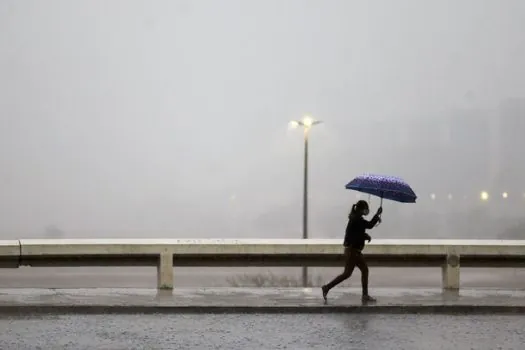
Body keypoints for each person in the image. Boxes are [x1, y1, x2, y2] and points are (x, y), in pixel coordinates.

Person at [321, 200, 382, 303]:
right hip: (353, 251)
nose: (367, 211)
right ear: (361, 209)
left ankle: (328, 288)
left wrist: (364, 235)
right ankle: (327, 287)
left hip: (353, 251)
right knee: (350, 273)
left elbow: (357, 233)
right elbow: (369, 225)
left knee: (356, 272)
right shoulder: (357, 219)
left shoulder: (355, 219)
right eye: (365, 209)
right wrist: (377, 214)